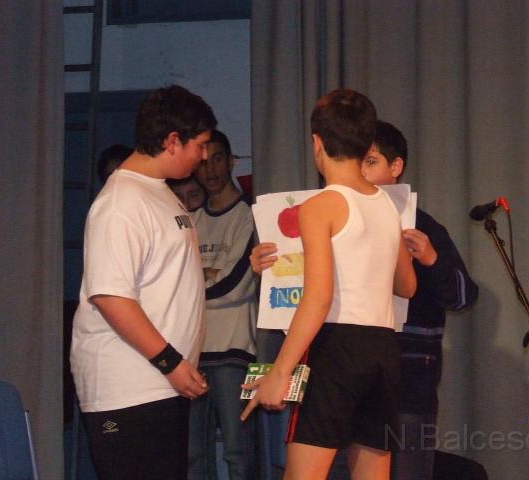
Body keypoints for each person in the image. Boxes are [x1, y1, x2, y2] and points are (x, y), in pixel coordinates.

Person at [252, 120, 479, 480]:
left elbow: (460, 295)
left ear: (396, 166)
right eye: (358, 160)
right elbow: (311, 291)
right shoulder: (330, 210)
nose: (360, 170)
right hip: (342, 363)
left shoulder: (417, 225)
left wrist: (431, 259)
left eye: (370, 162)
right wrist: (272, 266)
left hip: (404, 375)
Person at [241, 90, 417, 480]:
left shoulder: (320, 206)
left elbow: (318, 298)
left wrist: (280, 371)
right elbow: (407, 285)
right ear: (367, 144)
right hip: (383, 348)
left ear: (317, 143)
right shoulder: (388, 206)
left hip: (337, 348)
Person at [70, 85, 217, 480]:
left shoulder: (160, 192)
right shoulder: (121, 202)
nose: (204, 155)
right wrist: (170, 362)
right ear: (173, 141)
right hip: (130, 389)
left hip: (161, 385)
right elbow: (111, 297)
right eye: (200, 145)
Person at [188, 129, 258, 480]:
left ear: (231, 162)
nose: (210, 170)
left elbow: (237, 287)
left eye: (217, 159)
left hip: (235, 352)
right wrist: (210, 273)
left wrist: (199, 278)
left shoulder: (250, 216)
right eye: (202, 162)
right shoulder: (191, 221)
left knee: (237, 452)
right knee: (193, 455)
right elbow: (177, 284)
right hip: (194, 354)